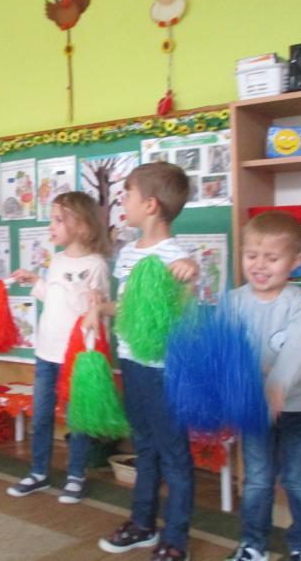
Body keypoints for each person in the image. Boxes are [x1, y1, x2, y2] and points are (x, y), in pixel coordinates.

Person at [85, 162, 198, 560]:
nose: (122, 200)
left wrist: (190, 275)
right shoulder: (129, 253)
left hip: (165, 371)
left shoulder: (177, 256)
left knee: (174, 454)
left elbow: (185, 302)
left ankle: (176, 540)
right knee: (144, 446)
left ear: (150, 205)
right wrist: (101, 308)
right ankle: (142, 525)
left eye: (128, 194)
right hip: (132, 364)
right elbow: (131, 307)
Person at [225, 211, 301, 561]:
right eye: (252, 255)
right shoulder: (233, 302)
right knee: (257, 479)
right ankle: (253, 544)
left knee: (299, 479)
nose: (260, 265)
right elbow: (223, 350)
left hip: (300, 408)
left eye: (272, 257)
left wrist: (278, 385)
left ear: (295, 262)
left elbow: (300, 344)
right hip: (254, 410)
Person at [6, 191, 111, 504]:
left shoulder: (96, 265)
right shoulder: (57, 260)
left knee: (78, 418)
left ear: (81, 226)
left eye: (57, 220)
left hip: (76, 357)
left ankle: (76, 476)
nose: (50, 226)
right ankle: (38, 472)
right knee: (41, 416)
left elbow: (97, 312)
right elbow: (55, 298)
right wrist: (34, 281)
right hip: (46, 353)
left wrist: (96, 301)